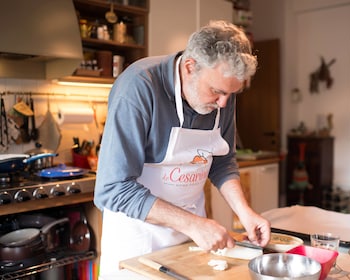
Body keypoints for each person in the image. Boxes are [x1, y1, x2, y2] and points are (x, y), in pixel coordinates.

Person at [94, 20, 271, 276]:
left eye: (231, 95)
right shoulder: (138, 87)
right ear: (190, 67)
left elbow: (222, 161)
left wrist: (245, 213)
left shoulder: (222, 97)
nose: (223, 104)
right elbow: (112, 189)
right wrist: (194, 225)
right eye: (217, 92)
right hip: (138, 242)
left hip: (193, 238)